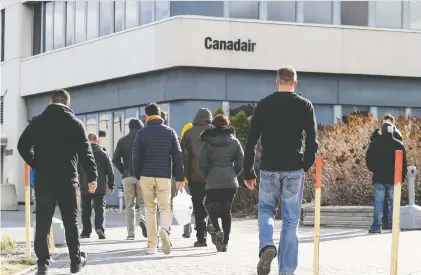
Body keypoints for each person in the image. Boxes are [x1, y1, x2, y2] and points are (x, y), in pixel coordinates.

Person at [243, 66, 318, 275]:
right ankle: (286, 270)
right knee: (291, 220)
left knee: (266, 210)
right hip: (294, 168)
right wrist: (306, 164)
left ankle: (267, 245)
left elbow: (251, 141)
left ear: (277, 82)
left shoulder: (264, 104)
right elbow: (313, 140)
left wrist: (248, 171)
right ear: (295, 83)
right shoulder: (305, 105)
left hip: (269, 168)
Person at [17, 89, 97, 275]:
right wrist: (92, 177)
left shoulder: (38, 122)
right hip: (68, 181)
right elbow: (87, 153)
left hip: (44, 181)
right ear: (68, 105)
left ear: (51, 102)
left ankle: (43, 265)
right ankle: (75, 261)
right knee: (71, 221)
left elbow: (22, 145)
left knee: (43, 223)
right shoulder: (75, 123)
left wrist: (36, 163)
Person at [132, 103, 185, 255]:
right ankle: (165, 231)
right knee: (165, 208)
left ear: (147, 116)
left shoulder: (142, 133)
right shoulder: (170, 132)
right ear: (160, 114)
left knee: (150, 210)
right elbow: (178, 156)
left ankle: (151, 245)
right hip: (164, 176)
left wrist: (138, 175)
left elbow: (136, 156)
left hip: (146, 176)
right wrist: (180, 177)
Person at [200, 114, 244, 252]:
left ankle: (218, 230)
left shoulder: (207, 142)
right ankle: (225, 242)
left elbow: (202, 164)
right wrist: (233, 173)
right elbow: (241, 162)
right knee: (227, 212)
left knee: (210, 206)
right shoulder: (234, 141)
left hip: (213, 179)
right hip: (230, 181)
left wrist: (208, 177)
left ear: (214, 125)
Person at [366, 122, 407, 233]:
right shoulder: (399, 144)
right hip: (394, 179)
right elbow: (404, 164)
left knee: (378, 203)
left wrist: (375, 170)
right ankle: (395, 226)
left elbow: (368, 160)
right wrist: (401, 178)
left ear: (382, 130)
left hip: (379, 178)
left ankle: (376, 227)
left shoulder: (374, 143)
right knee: (394, 204)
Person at [181, 108, 213, 247]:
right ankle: (214, 227)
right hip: (214, 177)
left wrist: (184, 176)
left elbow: (184, 157)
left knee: (198, 206)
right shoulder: (215, 131)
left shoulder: (189, 133)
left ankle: (201, 238)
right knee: (213, 203)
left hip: (195, 177)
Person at [113, 119, 147, 240]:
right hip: (142, 176)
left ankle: (131, 233)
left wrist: (123, 170)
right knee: (143, 203)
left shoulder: (122, 141)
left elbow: (115, 159)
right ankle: (143, 220)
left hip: (127, 176)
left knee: (129, 205)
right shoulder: (144, 140)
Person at [79, 133, 115, 240]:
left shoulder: (82, 154)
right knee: (100, 208)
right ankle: (99, 228)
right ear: (97, 141)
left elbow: (77, 169)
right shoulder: (104, 154)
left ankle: (86, 232)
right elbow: (110, 171)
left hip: (86, 185)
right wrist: (111, 185)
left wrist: (78, 181)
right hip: (100, 186)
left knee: (86, 209)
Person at [180, 123, 194, 238]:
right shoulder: (199, 140)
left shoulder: (181, 145)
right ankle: (202, 229)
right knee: (200, 204)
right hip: (199, 177)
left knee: (186, 206)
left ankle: (187, 230)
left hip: (185, 179)